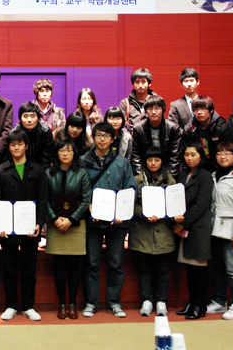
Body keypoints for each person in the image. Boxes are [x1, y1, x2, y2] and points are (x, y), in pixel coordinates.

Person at [0, 130, 48, 321]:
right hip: (7, 230)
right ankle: (11, 305)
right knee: (9, 269)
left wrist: (39, 223)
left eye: (19, 144)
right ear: (8, 147)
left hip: (30, 228)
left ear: (26, 146)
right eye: (12, 144)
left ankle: (28, 306)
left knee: (29, 269)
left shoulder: (38, 170)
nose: (16, 147)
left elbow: (42, 199)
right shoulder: (1, 170)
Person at [81, 122, 135, 319]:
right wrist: (88, 207)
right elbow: (79, 188)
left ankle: (114, 302)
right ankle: (91, 303)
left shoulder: (122, 162)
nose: (102, 139)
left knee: (116, 263)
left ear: (113, 139)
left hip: (117, 223)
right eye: (98, 135)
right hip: (92, 221)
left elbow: (130, 189)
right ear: (93, 137)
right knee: (91, 263)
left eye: (106, 136)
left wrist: (123, 213)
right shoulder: (83, 161)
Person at [129, 146, 177, 318]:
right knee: (144, 269)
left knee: (163, 269)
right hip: (142, 232)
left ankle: (162, 301)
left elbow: (175, 204)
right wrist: (144, 213)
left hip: (163, 231)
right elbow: (130, 204)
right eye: (150, 160)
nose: (153, 163)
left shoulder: (170, 181)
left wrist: (166, 213)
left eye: (157, 160)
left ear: (162, 161)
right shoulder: (136, 180)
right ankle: (147, 300)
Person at [46, 140, 90, 320]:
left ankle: (72, 303)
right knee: (59, 265)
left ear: (74, 153)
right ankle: (61, 304)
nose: (65, 153)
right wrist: (55, 219)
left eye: (69, 150)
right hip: (56, 225)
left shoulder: (82, 173)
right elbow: (45, 199)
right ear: (57, 153)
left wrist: (71, 220)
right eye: (62, 150)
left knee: (74, 266)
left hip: (76, 225)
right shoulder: (49, 173)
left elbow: (86, 199)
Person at [206, 142, 233, 320]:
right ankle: (219, 301)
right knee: (218, 268)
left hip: (232, 231)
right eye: (219, 153)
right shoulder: (214, 176)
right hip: (215, 228)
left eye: (227, 153)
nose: (222, 156)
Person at [173, 142, 213, 320]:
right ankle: (191, 301)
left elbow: (201, 205)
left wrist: (184, 224)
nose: (189, 158)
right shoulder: (183, 175)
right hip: (184, 227)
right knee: (190, 268)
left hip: (198, 228)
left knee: (199, 269)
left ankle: (200, 304)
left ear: (201, 156)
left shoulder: (205, 176)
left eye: (193, 154)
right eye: (187, 154)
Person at [131, 95, 182, 177]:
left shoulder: (173, 128)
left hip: (166, 169)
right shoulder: (138, 128)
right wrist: (141, 176)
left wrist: (170, 177)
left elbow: (175, 156)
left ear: (163, 110)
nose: (153, 112)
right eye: (150, 109)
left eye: (157, 108)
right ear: (145, 111)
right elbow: (136, 155)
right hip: (146, 169)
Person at [183, 96, 233, 172]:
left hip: (219, 167)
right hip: (198, 168)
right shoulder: (189, 129)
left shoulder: (222, 127)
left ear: (211, 110)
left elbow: (230, 151)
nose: (199, 112)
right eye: (196, 109)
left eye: (202, 109)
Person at [11, 102, 55, 167]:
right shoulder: (14, 133)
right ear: (20, 120)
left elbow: (47, 157)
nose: (29, 120)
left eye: (32, 116)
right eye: (25, 116)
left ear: (38, 119)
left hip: (40, 166)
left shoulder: (45, 131)